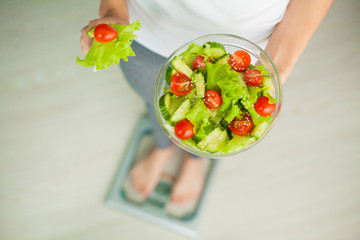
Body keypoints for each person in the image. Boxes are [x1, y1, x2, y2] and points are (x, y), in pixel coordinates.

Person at [80, 0, 333, 211]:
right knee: (154, 101)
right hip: (147, 32)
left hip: (241, 50)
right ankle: (163, 146)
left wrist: (277, 67)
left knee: (211, 131)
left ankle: (194, 158)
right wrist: (114, 10)